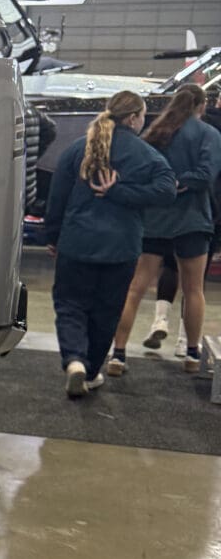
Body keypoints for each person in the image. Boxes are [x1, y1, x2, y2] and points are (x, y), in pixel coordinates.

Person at [44, 90, 176, 399]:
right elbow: (167, 191)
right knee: (106, 311)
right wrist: (123, 193)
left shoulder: (78, 149)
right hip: (121, 248)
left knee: (70, 305)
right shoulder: (147, 155)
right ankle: (91, 373)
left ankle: (74, 360)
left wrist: (53, 236)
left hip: (77, 242)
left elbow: (57, 198)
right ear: (133, 118)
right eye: (143, 116)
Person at [107, 83, 221, 375]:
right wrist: (181, 183)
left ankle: (118, 354)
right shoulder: (209, 134)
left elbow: (140, 172)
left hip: (153, 219)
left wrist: (164, 185)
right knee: (194, 289)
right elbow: (207, 175)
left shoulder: (155, 132)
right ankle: (192, 354)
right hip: (192, 219)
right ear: (202, 105)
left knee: (135, 288)